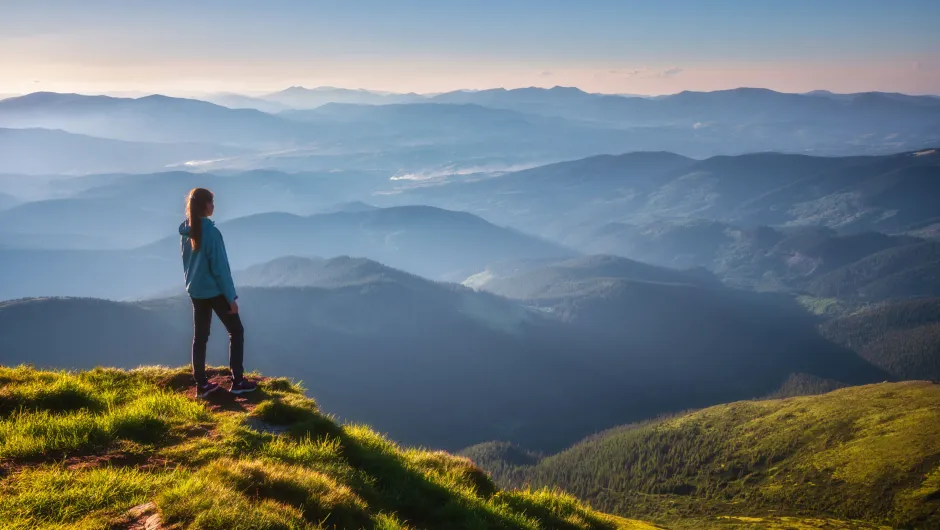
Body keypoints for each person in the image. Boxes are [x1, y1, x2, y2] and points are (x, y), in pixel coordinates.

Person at [180, 188, 257, 398]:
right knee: (236, 331)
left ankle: (201, 385)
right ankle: (238, 381)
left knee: (200, 337)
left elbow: (187, 263)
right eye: (212, 202)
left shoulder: (187, 231)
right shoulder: (211, 233)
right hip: (214, 291)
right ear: (204, 205)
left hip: (196, 291)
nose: (214, 206)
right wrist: (231, 298)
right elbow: (221, 269)